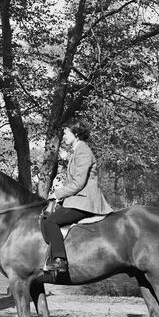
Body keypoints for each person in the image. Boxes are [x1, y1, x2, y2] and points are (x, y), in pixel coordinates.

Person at [42, 117, 113, 273]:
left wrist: (56, 194)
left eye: (66, 133)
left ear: (76, 134)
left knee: (51, 222)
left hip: (84, 202)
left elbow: (78, 183)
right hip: (77, 200)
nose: (64, 137)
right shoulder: (77, 151)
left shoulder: (83, 151)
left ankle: (60, 260)